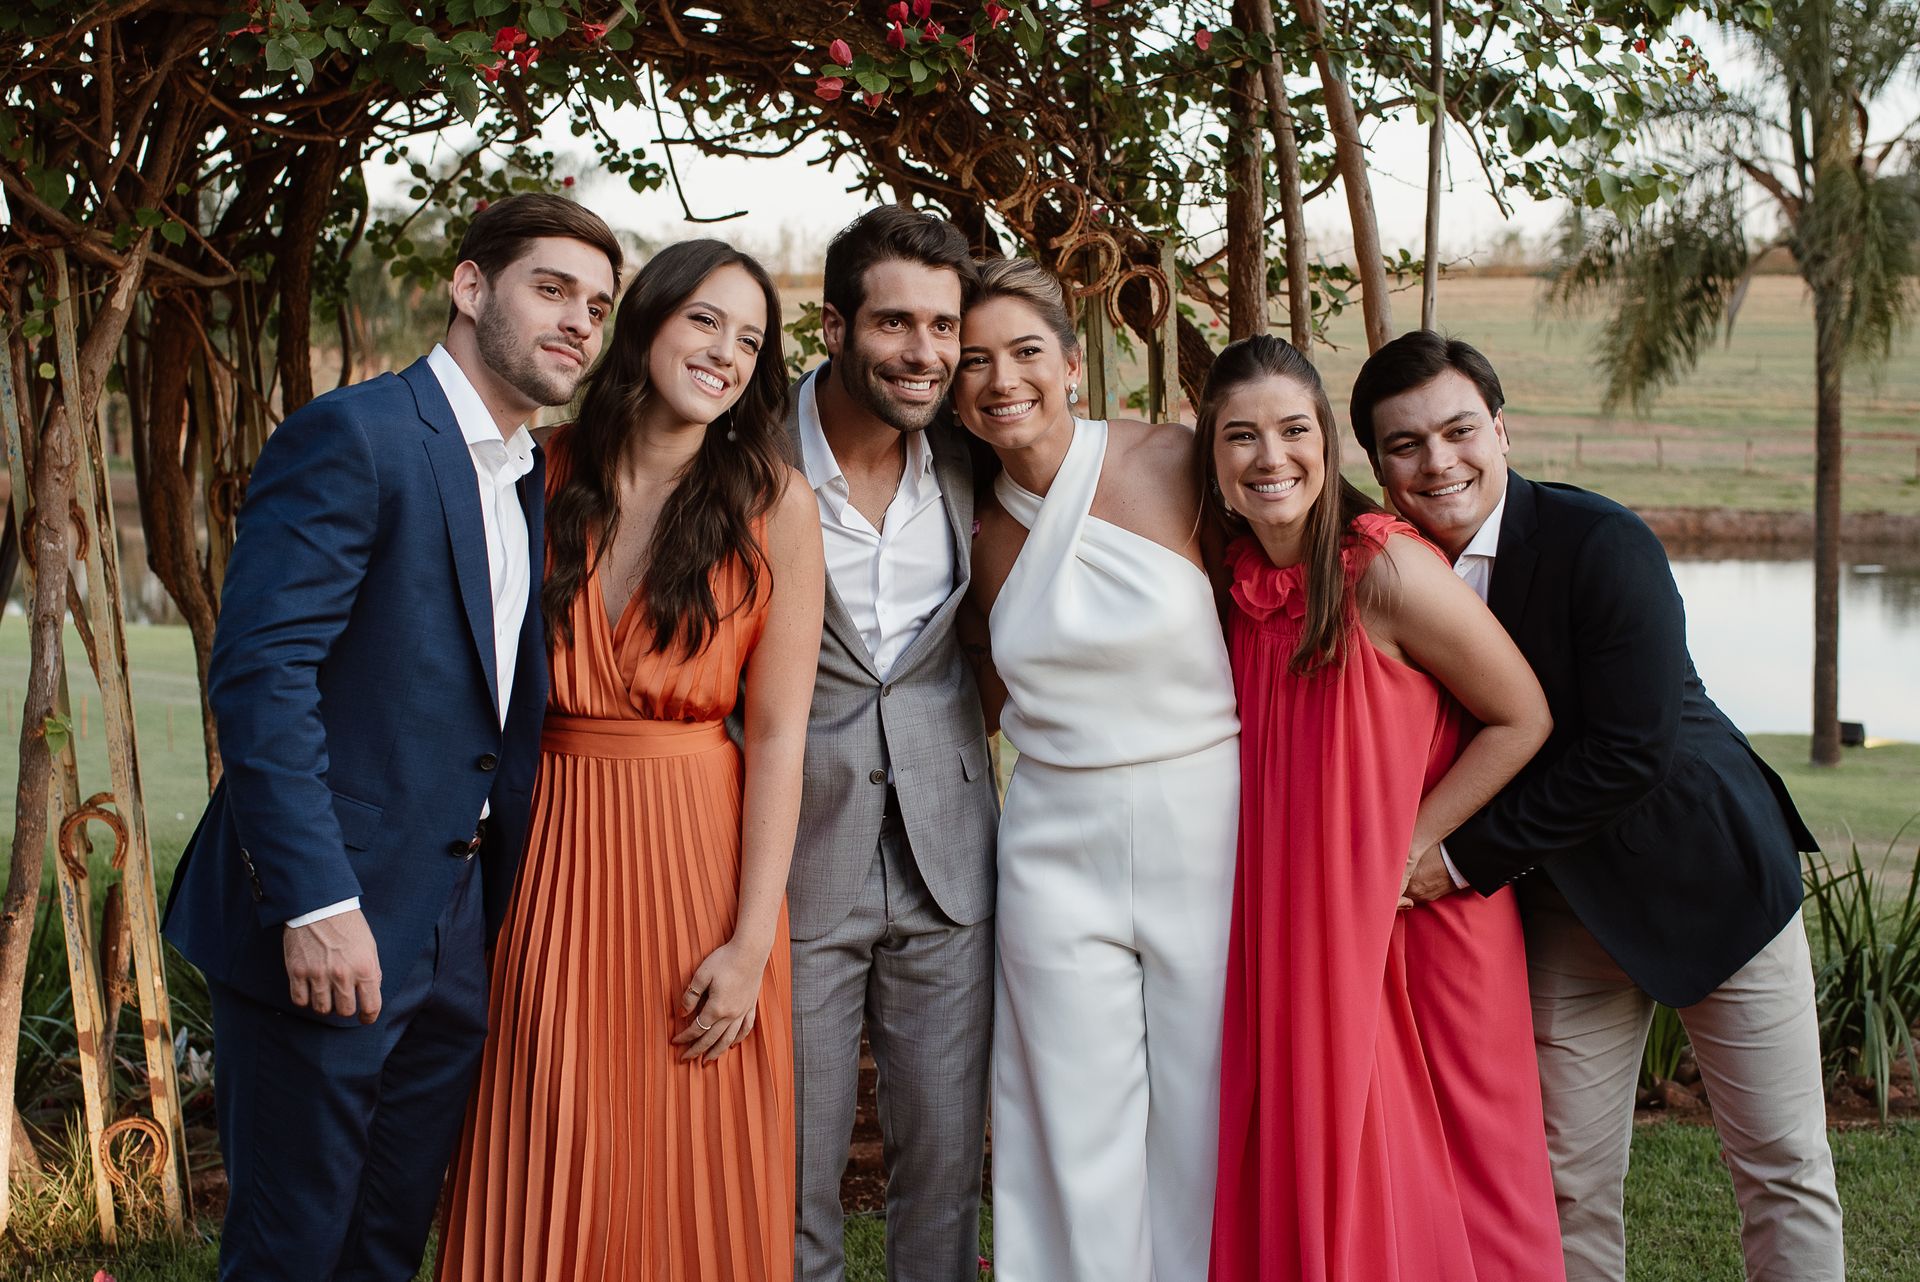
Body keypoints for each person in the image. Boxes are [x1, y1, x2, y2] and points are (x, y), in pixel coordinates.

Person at [161, 194, 621, 1281]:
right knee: (292, 1244)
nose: (579, 324)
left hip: (451, 925)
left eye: (597, 307)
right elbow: (261, 675)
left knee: (381, 1242)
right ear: (470, 287)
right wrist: (316, 903)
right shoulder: (356, 436)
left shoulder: (525, 484)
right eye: (551, 289)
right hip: (324, 918)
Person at [1350, 330, 1844, 1282]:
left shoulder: (1602, 542)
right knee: (1564, 1182)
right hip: (1563, 906)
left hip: (1710, 879)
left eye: (1459, 430)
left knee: (1782, 1165)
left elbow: (1630, 751)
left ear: (1501, 429)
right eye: (1404, 445)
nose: (1437, 462)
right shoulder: (1384, 568)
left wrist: (1448, 861)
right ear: (1377, 464)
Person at [435, 240, 824, 1282]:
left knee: (688, 1145)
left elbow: (781, 731)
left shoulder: (773, 501)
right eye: (706, 320)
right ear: (645, 322)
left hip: (695, 855)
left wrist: (749, 941)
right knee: (539, 1132)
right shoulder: (538, 470)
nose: (727, 352)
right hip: (544, 847)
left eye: (751, 339)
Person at [1200, 334, 1561, 1282]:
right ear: (1213, 460)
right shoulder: (1234, 586)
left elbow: (1522, 718)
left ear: (1327, 441)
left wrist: (1410, 848)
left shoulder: (1388, 571)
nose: (1270, 458)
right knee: (1326, 1168)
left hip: (1422, 923)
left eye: (1291, 430)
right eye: (1241, 436)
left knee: (1466, 1186)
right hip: (1300, 933)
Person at [955, 257, 1238, 1282]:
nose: (1001, 380)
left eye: (1026, 352)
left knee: (1207, 1099)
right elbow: (976, 690)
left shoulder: (1178, 459)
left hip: (1205, 816)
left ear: (1074, 365)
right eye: (974, 361)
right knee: (1068, 1117)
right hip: (1053, 834)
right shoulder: (973, 528)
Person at [785, 206, 999, 1282]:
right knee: (793, 1168)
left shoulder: (972, 456)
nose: (924, 353)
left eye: (942, 326)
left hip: (949, 856)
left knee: (945, 1166)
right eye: (894, 324)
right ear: (833, 327)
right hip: (794, 855)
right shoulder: (744, 453)